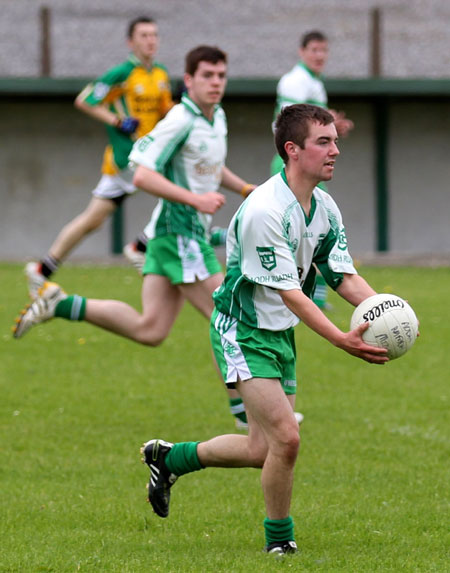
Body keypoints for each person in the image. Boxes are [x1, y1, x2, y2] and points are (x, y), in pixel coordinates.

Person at [138, 104, 388, 555]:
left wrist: (384, 309)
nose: (335, 151)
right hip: (242, 331)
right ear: (293, 150)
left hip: (279, 333)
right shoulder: (264, 210)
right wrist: (341, 339)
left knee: (261, 449)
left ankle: (168, 458)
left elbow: (342, 275)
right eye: (324, 142)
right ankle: (280, 543)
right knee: (287, 439)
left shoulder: (324, 207)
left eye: (335, 141)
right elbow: (292, 292)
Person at [13, 45, 259, 428]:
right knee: (225, 316)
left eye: (221, 75)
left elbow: (210, 165)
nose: (215, 82)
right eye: (207, 75)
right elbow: (142, 175)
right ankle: (249, 416)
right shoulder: (180, 118)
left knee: (151, 329)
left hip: (172, 234)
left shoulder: (216, 117)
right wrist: (195, 198)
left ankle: (59, 304)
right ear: (189, 80)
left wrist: (243, 188)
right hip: (180, 232)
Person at [25, 16, 174, 298]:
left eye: (154, 35)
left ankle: (42, 270)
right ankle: (140, 247)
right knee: (181, 192)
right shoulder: (121, 73)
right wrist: (117, 121)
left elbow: (164, 111)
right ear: (131, 42)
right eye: (144, 35)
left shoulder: (162, 74)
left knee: (93, 219)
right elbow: (85, 100)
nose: (151, 40)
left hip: (147, 156)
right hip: (128, 157)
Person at [271, 30, 354, 310]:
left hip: (306, 161)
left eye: (324, 50)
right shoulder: (295, 81)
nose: (320, 56)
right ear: (302, 51)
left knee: (317, 226)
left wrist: (331, 124)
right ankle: (299, 293)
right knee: (289, 228)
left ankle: (314, 294)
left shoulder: (315, 83)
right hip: (296, 163)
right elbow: (292, 122)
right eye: (314, 50)